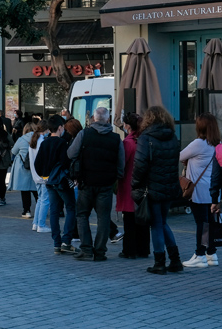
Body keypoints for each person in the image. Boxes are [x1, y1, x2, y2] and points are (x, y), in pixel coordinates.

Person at [66, 107, 124, 262]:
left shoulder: (84, 134)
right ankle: (100, 251)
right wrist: (115, 178)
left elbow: (71, 154)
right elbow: (121, 164)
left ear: (93, 118)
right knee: (103, 218)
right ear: (108, 119)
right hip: (105, 184)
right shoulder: (115, 139)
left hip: (86, 182)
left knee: (82, 214)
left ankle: (86, 249)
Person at [132, 106, 183, 274]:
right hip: (169, 186)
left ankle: (159, 262)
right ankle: (175, 260)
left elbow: (140, 165)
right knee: (163, 222)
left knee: (156, 224)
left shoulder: (146, 138)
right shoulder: (172, 136)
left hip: (151, 186)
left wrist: (135, 183)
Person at [179, 112, 219, 268]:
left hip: (199, 191)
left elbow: (180, 155)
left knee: (201, 223)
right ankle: (212, 253)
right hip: (213, 191)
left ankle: (200, 255)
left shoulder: (198, 144)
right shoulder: (218, 144)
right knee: (210, 223)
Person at [35, 115, 77, 255]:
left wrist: (45, 175)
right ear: (60, 128)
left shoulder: (44, 143)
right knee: (71, 208)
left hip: (49, 182)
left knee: (54, 211)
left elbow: (37, 164)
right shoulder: (62, 144)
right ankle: (66, 241)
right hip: (62, 181)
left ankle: (56, 243)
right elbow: (66, 163)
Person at [118, 113, 150, 259]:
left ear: (128, 126)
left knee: (129, 219)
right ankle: (144, 249)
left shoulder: (128, 143)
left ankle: (129, 250)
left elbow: (122, 164)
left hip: (129, 184)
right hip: (144, 183)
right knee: (143, 218)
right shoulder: (145, 140)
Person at [9, 123, 37, 219]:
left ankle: (27, 211)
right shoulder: (39, 139)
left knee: (25, 190)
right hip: (36, 167)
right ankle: (40, 209)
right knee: (36, 189)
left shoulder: (21, 139)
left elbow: (13, 152)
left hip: (23, 167)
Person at [28, 121, 51, 233]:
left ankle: (36, 223)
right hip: (43, 175)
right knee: (45, 200)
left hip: (35, 175)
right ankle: (41, 224)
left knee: (40, 200)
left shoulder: (34, 140)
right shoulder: (42, 142)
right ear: (46, 130)